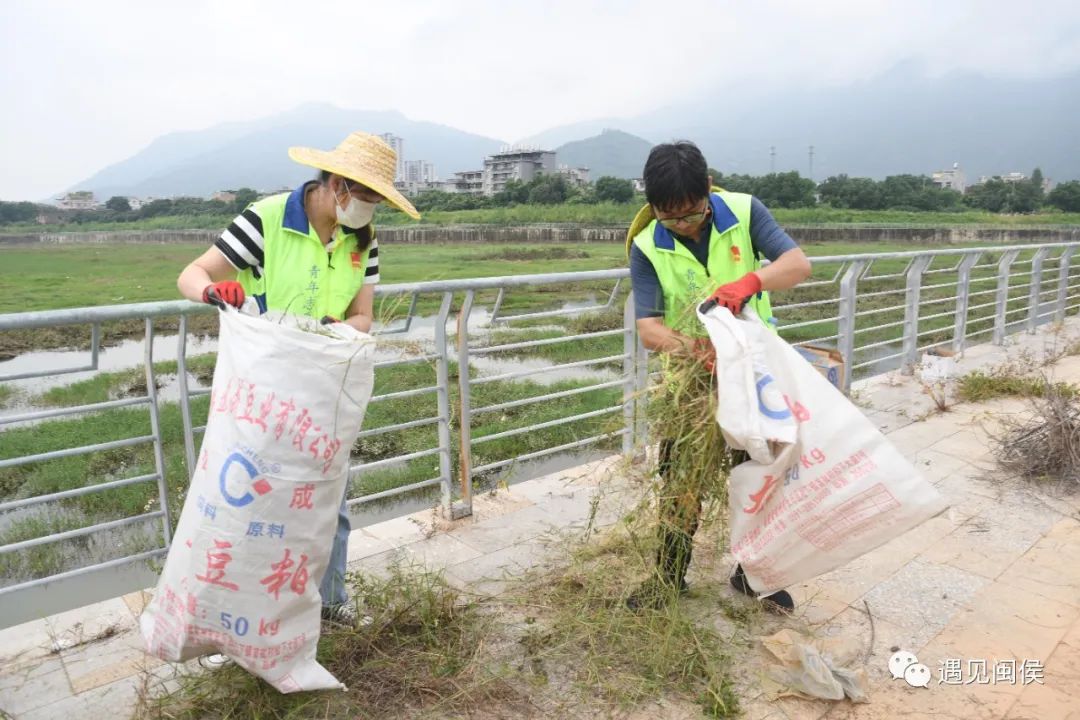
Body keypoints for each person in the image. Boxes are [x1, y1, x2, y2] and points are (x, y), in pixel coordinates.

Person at [177, 131, 420, 626]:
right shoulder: (266, 219)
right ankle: (229, 623)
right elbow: (192, 273)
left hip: (321, 392)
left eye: (377, 202)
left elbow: (363, 317)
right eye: (366, 199)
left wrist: (338, 329)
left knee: (330, 505)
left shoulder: (363, 241)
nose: (369, 210)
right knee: (247, 508)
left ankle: (330, 604)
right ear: (336, 185)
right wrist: (211, 292)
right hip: (261, 393)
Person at [625, 141, 812, 612]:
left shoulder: (745, 212)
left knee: (758, 476)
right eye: (671, 217)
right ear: (652, 206)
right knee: (680, 483)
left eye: (691, 213)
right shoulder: (648, 244)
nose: (683, 225)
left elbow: (797, 264)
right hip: (693, 380)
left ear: (708, 188)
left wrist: (753, 281)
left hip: (755, 374)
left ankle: (754, 575)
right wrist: (696, 350)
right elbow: (649, 328)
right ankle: (668, 578)